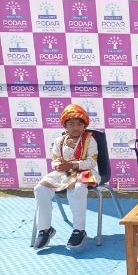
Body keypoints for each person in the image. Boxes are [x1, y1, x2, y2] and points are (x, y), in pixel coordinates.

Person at [33, 104, 100, 249]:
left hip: (85, 172)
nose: (75, 127)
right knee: (40, 189)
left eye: (79, 124)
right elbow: (55, 160)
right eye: (71, 124)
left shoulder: (90, 140)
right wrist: (58, 166)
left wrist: (72, 164)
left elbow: (92, 162)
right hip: (64, 173)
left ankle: (79, 230)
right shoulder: (59, 141)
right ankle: (45, 230)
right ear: (65, 126)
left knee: (78, 188)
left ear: (85, 126)